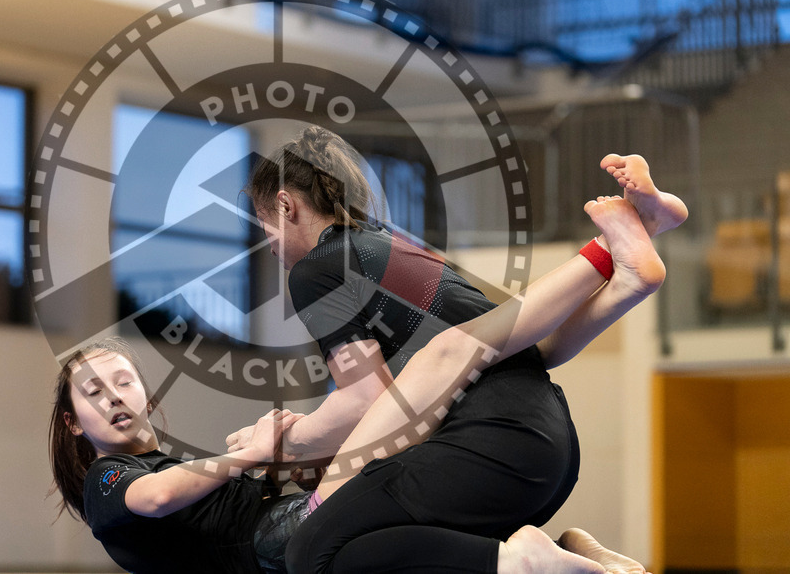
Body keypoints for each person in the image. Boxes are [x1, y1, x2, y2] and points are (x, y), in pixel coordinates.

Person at [221, 127, 686, 573]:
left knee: (312, 553)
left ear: (285, 205)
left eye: (266, 229)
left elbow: (364, 397)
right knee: (375, 545)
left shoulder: (317, 268)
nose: (271, 247)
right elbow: (528, 341)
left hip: (490, 443)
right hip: (549, 447)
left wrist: (284, 442)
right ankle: (572, 554)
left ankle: (528, 557)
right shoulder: (394, 250)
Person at [50, 337, 648, 574]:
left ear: (147, 395)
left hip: (289, 534)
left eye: (123, 382)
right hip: (279, 540)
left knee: (388, 410)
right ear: (75, 424)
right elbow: (153, 498)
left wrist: (275, 457)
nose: (114, 398)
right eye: (95, 393)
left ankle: (537, 555)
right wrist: (252, 455)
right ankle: (545, 552)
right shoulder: (108, 480)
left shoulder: (167, 463)